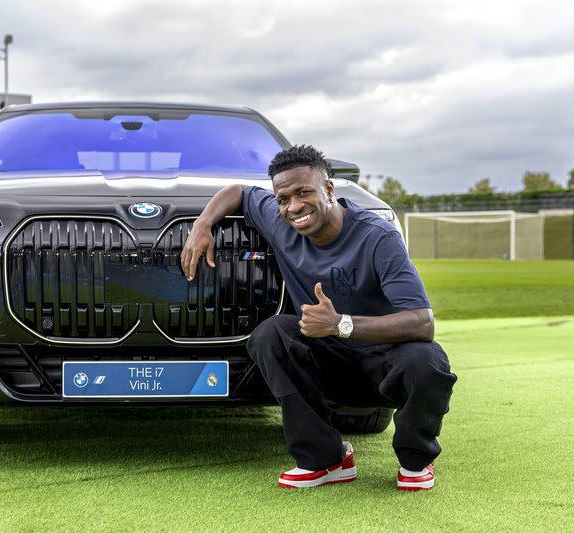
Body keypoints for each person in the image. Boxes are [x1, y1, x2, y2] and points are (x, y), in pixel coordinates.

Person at [180, 145, 456, 491]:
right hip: (327, 361)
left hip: (384, 364)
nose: (294, 207)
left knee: (427, 360)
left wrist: (341, 323)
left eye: (303, 192)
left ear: (328, 190)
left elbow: (423, 323)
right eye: (283, 199)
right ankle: (327, 460)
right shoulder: (283, 221)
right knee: (272, 335)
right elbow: (238, 192)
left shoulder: (377, 236)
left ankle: (416, 461)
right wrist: (203, 223)